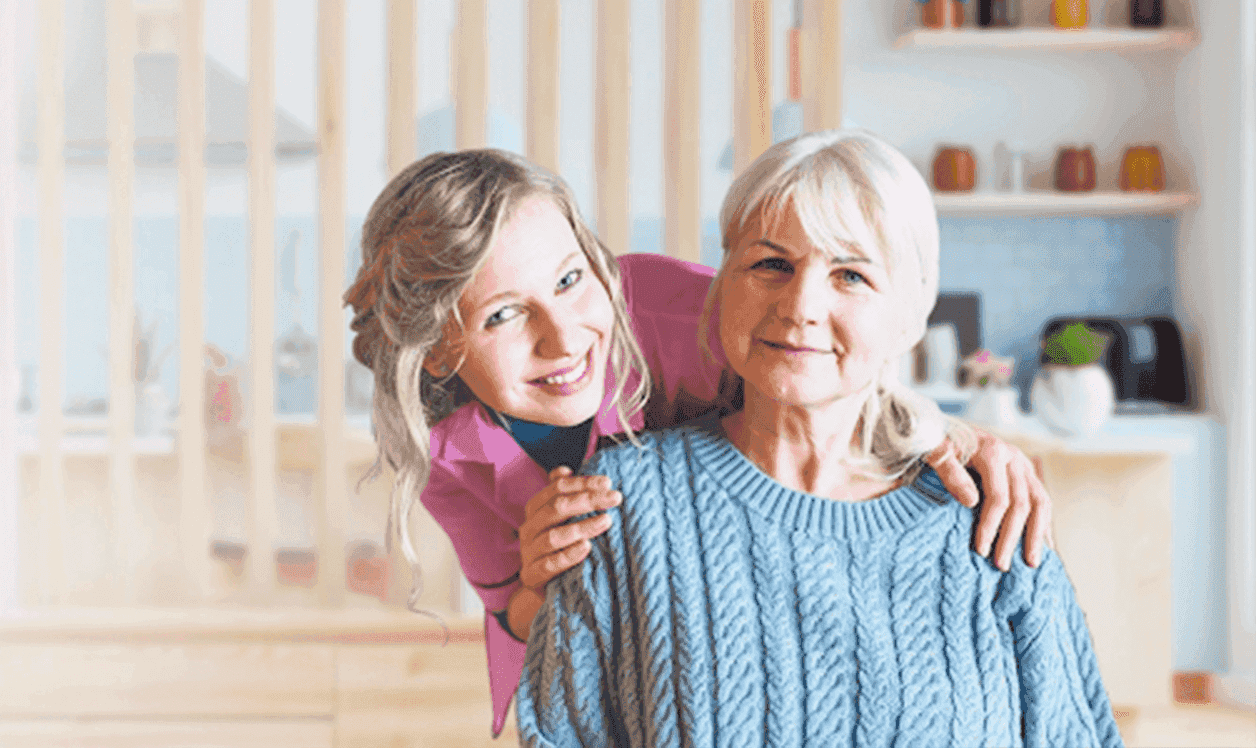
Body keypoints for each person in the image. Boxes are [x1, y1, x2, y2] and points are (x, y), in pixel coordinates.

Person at [343, 148, 1056, 737]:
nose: (562, 339)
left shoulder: (675, 305)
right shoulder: (443, 452)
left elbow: (832, 355)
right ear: (437, 351)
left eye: (570, 280)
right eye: (502, 315)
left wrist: (955, 436)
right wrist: (539, 576)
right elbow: (514, 616)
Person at [516, 130, 1123, 747]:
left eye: (851, 275)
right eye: (771, 264)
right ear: (723, 283)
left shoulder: (988, 516)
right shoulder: (622, 505)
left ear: (909, 313)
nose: (800, 303)